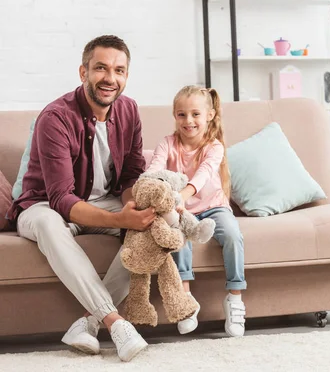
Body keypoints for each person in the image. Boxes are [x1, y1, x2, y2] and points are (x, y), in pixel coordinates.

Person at [7, 35, 154, 362]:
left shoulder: (129, 110)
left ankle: (89, 323)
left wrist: (132, 207)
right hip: (43, 206)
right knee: (47, 222)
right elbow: (61, 199)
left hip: (103, 204)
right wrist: (119, 221)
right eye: (101, 68)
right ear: (83, 72)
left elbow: (131, 174)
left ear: (126, 76)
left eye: (119, 70)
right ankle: (115, 322)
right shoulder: (55, 118)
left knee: (159, 225)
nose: (110, 78)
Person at [145, 85, 247, 337]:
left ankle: (235, 298)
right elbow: (154, 172)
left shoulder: (214, 147)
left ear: (209, 115)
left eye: (195, 114)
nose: (188, 121)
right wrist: (154, 191)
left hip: (214, 207)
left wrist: (181, 195)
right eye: (181, 115)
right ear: (174, 116)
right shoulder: (167, 144)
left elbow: (202, 176)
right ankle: (185, 299)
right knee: (178, 240)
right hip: (181, 211)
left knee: (233, 236)